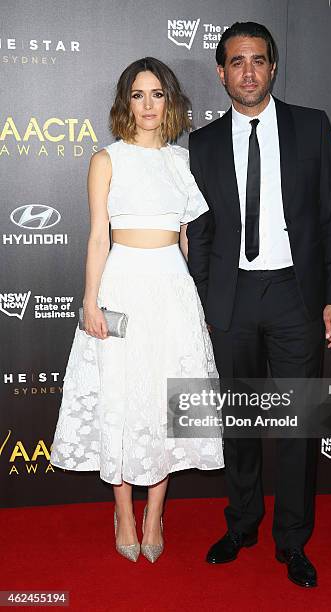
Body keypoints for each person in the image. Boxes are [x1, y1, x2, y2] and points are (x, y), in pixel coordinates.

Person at [187, 22, 331, 587]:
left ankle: (292, 540)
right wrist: (205, 300)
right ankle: (241, 524)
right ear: (221, 71)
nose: (249, 71)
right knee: (239, 422)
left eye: (258, 60)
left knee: (297, 426)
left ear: (273, 67)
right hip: (232, 297)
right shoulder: (204, 143)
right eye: (237, 61)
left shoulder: (311, 127)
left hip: (295, 296)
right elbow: (202, 234)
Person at [50, 57, 224, 563]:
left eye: (157, 94)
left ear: (170, 101)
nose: (147, 105)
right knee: (122, 398)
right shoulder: (107, 160)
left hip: (172, 288)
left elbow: (191, 241)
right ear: (124, 102)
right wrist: (90, 301)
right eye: (137, 95)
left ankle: (155, 514)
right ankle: (124, 512)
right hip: (122, 285)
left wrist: (197, 301)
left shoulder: (183, 162)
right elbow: (98, 237)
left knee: (168, 403)